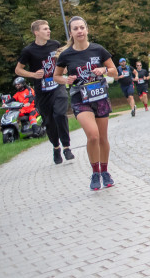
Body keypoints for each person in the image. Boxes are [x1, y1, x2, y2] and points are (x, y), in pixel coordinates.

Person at [53, 16, 118, 191]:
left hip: (100, 96)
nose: (80, 31)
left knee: (103, 137)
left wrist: (104, 69)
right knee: (93, 135)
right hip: (80, 98)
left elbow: (115, 72)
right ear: (71, 33)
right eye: (76, 28)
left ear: (87, 30)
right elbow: (56, 76)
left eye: (82, 27)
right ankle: (95, 173)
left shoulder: (98, 50)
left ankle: (105, 172)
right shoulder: (66, 55)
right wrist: (66, 79)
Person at [15, 20, 74, 164]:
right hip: (42, 91)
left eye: (49, 28)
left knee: (60, 114)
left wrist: (64, 69)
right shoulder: (28, 51)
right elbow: (18, 70)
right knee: (49, 121)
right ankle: (56, 147)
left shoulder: (55, 44)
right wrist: (33, 75)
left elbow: (63, 60)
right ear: (36, 32)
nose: (49, 31)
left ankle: (67, 147)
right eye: (45, 29)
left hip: (57, 86)